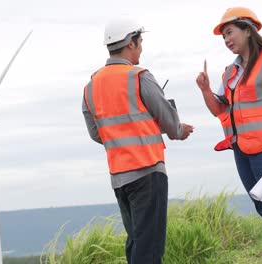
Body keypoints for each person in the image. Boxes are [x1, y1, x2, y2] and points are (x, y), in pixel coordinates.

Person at [82, 18, 194, 264]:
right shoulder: (138, 76)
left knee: (136, 242)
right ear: (130, 43)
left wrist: (124, 139)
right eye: (140, 41)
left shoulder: (91, 86)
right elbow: (168, 120)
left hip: (119, 177)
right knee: (149, 248)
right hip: (147, 170)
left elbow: (96, 133)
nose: (142, 47)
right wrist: (178, 129)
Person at [196, 7, 262, 264]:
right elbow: (219, 109)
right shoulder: (231, 72)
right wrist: (205, 90)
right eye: (223, 36)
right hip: (243, 151)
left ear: (248, 29)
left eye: (230, 32)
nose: (226, 40)